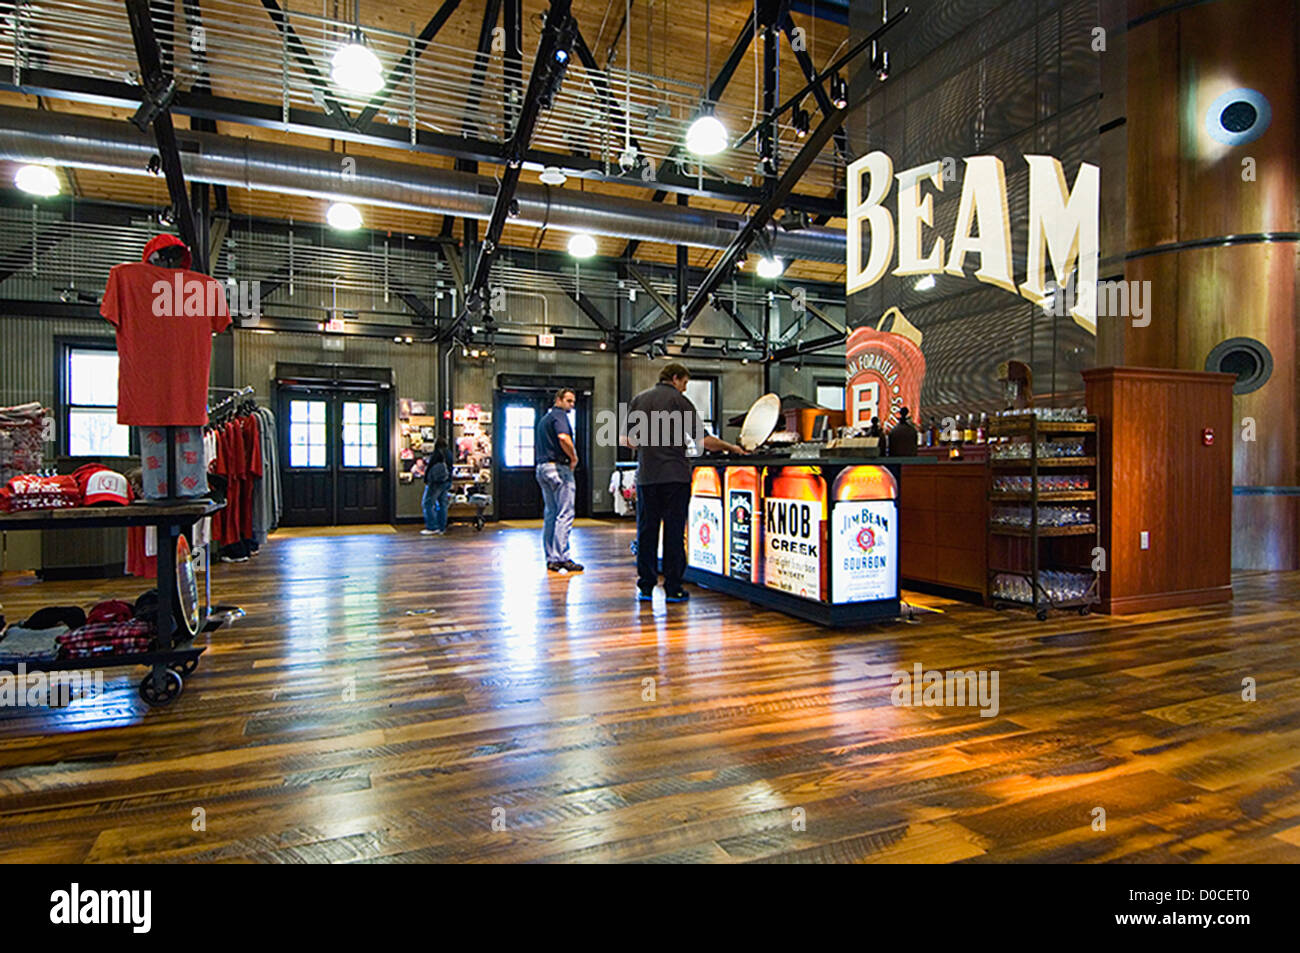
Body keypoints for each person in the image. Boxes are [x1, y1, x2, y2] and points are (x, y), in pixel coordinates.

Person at [625, 363, 746, 602]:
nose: (685, 388)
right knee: (673, 531)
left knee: (647, 531)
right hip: (675, 477)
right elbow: (705, 441)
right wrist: (731, 447)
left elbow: (629, 440)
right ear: (676, 378)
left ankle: (646, 587)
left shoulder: (639, 399)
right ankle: (673, 588)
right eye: (685, 383)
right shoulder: (680, 402)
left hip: (647, 477)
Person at [535, 388, 583, 573]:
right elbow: (563, 437)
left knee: (551, 514)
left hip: (542, 468)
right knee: (565, 513)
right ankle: (561, 557)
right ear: (559, 400)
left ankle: (551, 558)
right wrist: (574, 457)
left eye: (573, 401)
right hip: (558, 469)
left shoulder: (544, 419)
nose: (571, 405)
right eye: (569, 401)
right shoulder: (559, 416)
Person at [420, 437, 453, 536]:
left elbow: (430, 467)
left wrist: (426, 479)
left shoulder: (437, 453)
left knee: (427, 503)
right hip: (446, 481)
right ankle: (441, 527)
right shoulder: (448, 453)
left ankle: (432, 526)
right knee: (443, 504)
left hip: (435, 482)